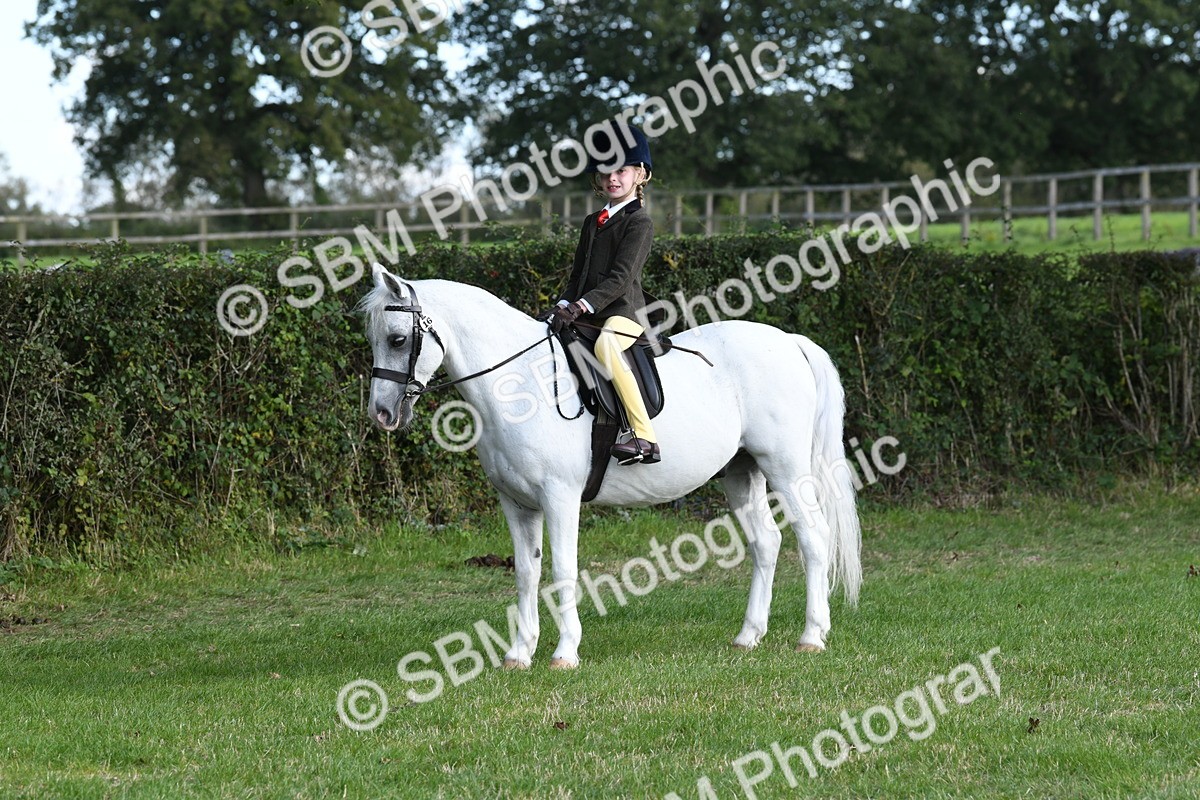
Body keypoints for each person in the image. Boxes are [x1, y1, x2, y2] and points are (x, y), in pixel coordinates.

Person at [540, 125, 660, 465]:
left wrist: (582, 305)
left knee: (607, 345)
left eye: (621, 170)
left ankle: (643, 435)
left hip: (625, 314)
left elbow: (622, 279)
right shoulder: (593, 221)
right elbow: (577, 274)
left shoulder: (640, 223)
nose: (613, 178)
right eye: (605, 172)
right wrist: (563, 304)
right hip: (586, 312)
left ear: (640, 174)